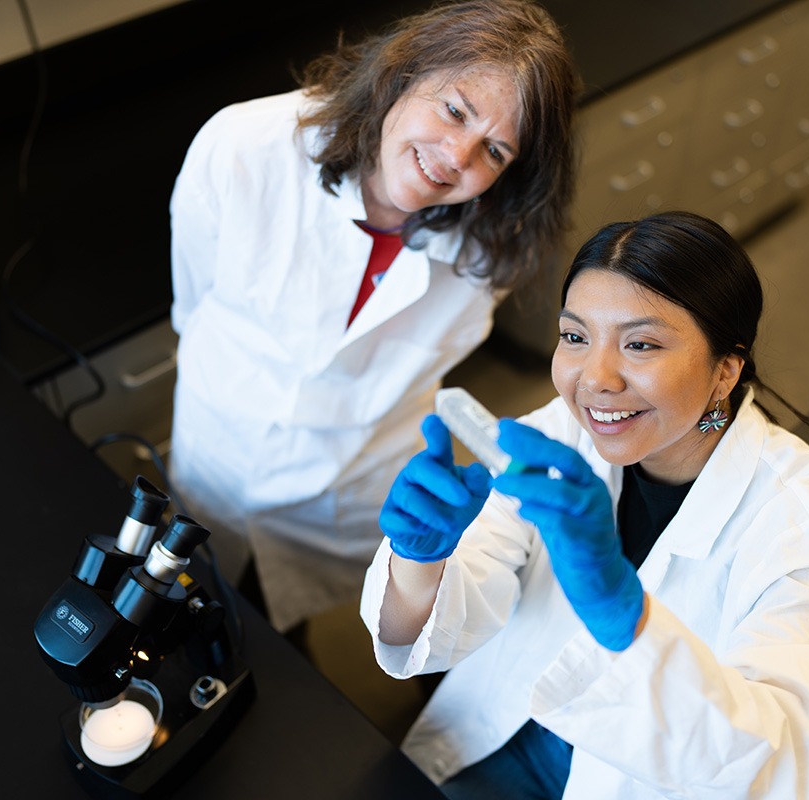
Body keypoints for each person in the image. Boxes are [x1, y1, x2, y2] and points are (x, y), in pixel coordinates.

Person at [361, 211, 809, 799]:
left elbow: (771, 769)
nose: (595, 379)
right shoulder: (564, 432)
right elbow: (417, 632)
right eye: (575, 336)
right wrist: (419, 559)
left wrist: (620, 612)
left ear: (724, 371)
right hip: (504, 730)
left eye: (640, 344)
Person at [167, 0, 579, 633]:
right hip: (222, 447)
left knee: (395, 622)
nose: (456, 157)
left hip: (355, 479)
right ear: (401, 73)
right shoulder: (244, 147)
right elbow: (192, 300)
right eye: (453, 110)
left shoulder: (487, 249)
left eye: (494, 149)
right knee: (220, 614)